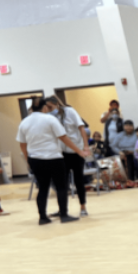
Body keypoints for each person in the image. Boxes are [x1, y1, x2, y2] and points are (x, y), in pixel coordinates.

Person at [16, 96, 88, 224]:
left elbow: (22, 144)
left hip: (35, 159)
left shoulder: (24, 122)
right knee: (61, 187)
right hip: (53, 158)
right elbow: (64, 138)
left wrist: (28, 160)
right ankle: (64, 215)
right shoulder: (50, 119)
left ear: (32, 108)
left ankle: (43, 217)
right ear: (44, 107)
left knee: (43, 188)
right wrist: (80, 151)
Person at [47, 96, 91, 216]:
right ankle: (62, 209)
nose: (49, 109)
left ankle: (83, 207)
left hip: (77, 151)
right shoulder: (50, 117)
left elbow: (82, 128)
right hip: (62, 153)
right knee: (62, 183)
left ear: (57, 104)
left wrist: (86, 146)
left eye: (50, 107)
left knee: (79, 180)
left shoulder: (70, 111)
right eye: (47, 107)